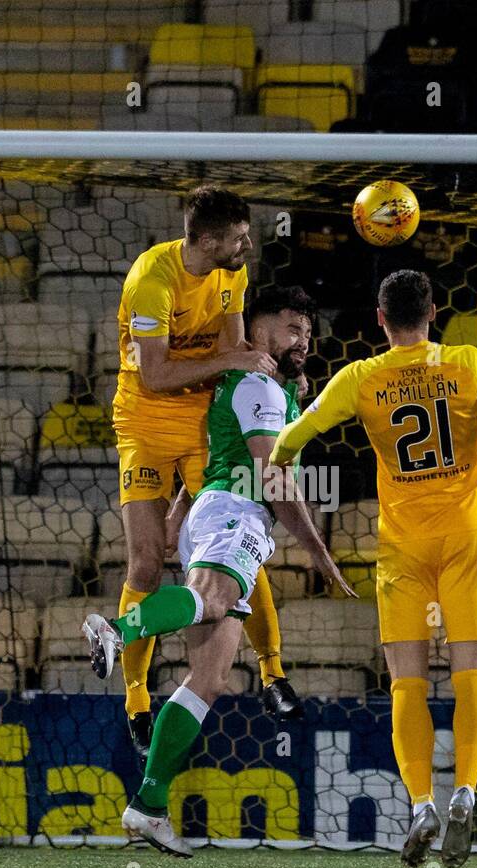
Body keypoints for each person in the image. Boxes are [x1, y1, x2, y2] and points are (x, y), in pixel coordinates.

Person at [269, 270, 477, 867]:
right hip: (466, 542)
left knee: (407, 684)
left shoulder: (361, 377)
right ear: (434, 313)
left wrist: (281, 458)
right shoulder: (469, 364)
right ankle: (465, 793)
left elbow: (290, 440)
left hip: (402, 549)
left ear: (379, 319)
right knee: (471, 678)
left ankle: (421, 802)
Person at [83, 286, 353, 856]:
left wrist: (293, 390)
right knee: (206, 597)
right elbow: (272, 477)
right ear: (255, 334)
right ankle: (120, 631)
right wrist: (320, 554)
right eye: (288, 328)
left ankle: (149, 805)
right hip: (234, 511)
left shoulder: (272, 386)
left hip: (224, 515)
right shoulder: (256, 385)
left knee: (209, 679)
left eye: (307, 330)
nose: (301, 339)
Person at [113, 186, 304, 759]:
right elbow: (155, 375)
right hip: (145, 424)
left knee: (239, 536)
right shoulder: (152, 279)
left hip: (201, 422)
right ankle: (137, 697)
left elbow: (237, 351)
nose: (249, 244)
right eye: (240, 237)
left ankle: (272, 673)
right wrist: (232, 360)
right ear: (209, 240)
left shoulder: (233, 274)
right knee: (147, 560)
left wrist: (277, 385)